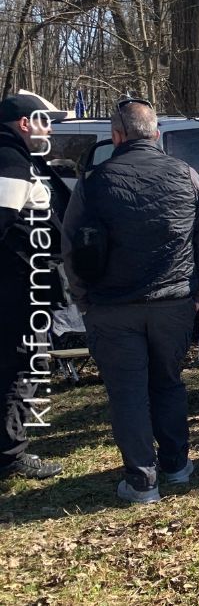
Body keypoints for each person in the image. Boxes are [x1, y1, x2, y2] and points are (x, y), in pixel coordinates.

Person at [62, 98, 199, 503]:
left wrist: (84, 300)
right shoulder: (187, 176)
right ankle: (176, 465)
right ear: (157, 135)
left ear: (116, 136)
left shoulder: (94, 182)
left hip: (111, 307)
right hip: (173, 304)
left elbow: (71, 247)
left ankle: (141, 481)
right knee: (167, 383)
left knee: (128, 392)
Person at [0, 94, 70, 481]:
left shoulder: (17, 160)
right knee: (23, 364)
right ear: (24, 123)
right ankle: (11, 455)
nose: (50, 128)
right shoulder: (10, 163)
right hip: (17, 290)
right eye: (45, 120)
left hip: (23, 285)